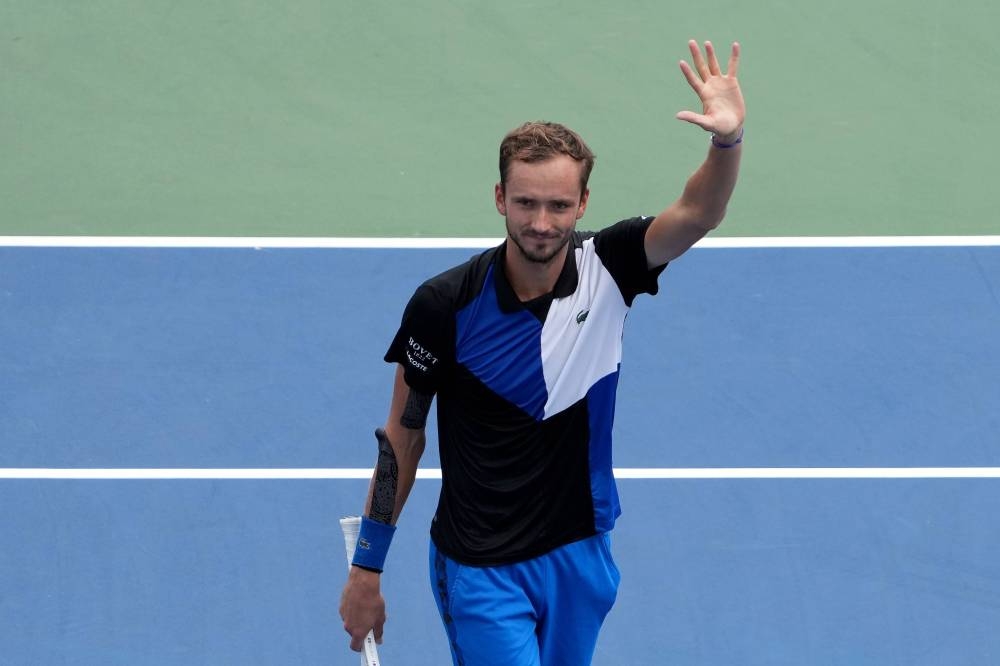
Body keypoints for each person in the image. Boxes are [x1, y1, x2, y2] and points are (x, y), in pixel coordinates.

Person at [340, 39, 746, 666]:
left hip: (580, 553)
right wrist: (367, 569)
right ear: (500, 198)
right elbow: (404, 438)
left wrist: (726, 142)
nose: (541, 221)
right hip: (482, 567)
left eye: (559, 205)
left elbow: (699, 211)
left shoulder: (610, 267)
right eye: (526, 202)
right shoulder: (444, 305)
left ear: (582, 205)